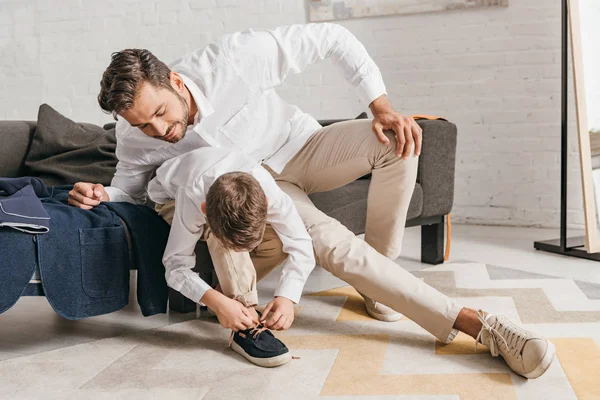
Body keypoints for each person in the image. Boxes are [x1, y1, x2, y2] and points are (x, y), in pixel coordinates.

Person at [69, 23, 555, 378]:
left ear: (176, 81)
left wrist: (380, 107)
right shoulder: (139, 138)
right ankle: (480, 326)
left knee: (399, 141)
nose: (159, 133)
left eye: (160, 114)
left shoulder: (236, 57)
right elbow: (129, 188)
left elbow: (334, 40)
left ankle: (379, 282)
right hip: (250, 181)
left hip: (300, 146)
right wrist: (102, 193)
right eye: (142, 126)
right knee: (333, 244)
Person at [146, 147, 315, 367]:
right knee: (221, 241)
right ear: (205, 210)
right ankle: (243, 327)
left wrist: (287, 296)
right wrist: (216, 303)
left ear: (265, 202)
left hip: (217, 187)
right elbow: (175, 266)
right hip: (167, 199)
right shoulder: (192, 196)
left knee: (277, 241)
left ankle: (231, 299)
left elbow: (301, 242)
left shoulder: (271, 194)